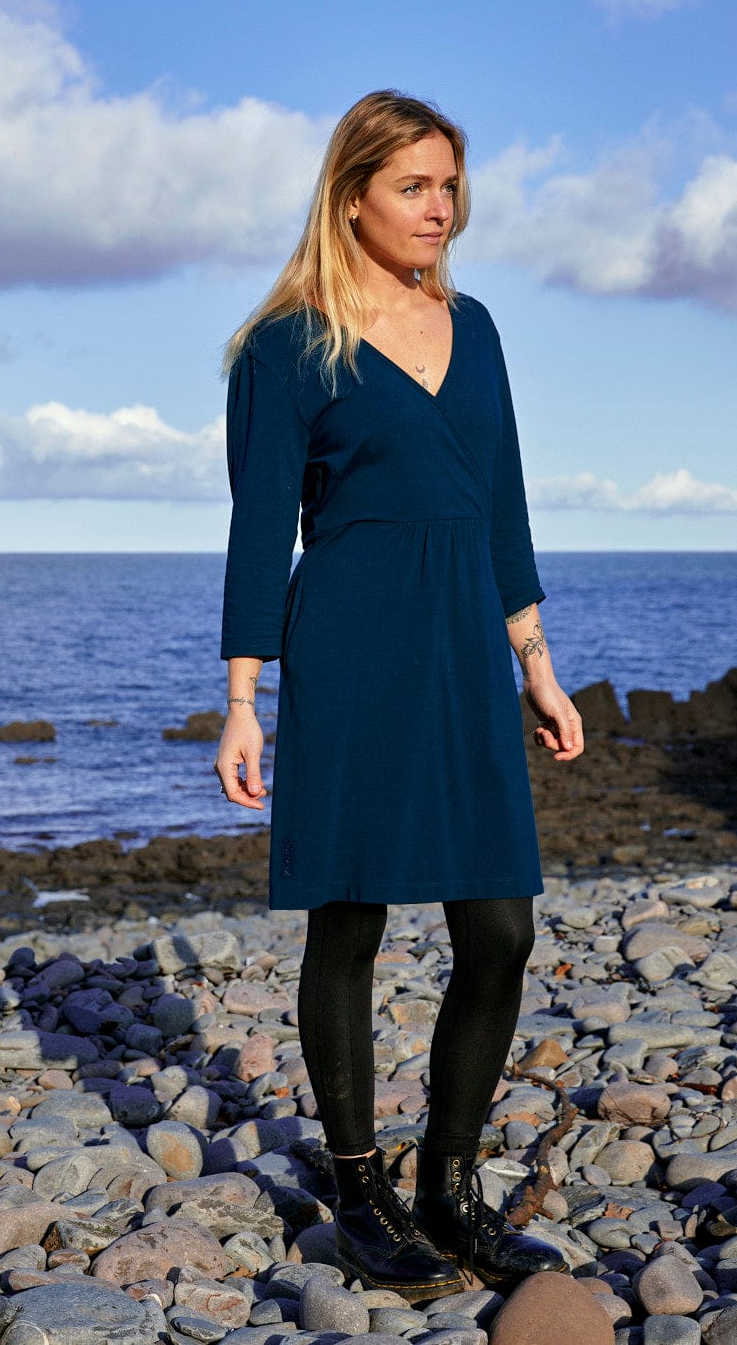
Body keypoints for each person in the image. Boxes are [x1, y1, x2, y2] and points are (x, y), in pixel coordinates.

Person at [213, 90, 584, 1302]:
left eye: (449, 186)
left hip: (463, 647)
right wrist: (243, 700)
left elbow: (506, 504)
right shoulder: (288, 344)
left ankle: (451, 1187)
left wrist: (533, 660)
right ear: (352, 193)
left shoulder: (474, 328)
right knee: (352, 916)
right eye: (415, 185)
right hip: (355, 641)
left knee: (500, 928)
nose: (440, 208)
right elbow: (263, 530)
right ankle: (363, 1189)